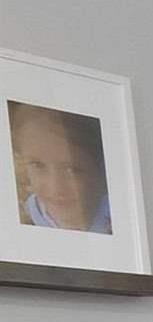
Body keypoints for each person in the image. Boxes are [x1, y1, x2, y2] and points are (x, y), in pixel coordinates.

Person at [9, 100, 112, 234]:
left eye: (71, 170)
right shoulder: (35, 208)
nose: (55, 188)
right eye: (38, 165)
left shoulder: (114, 217)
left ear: (101, 170)